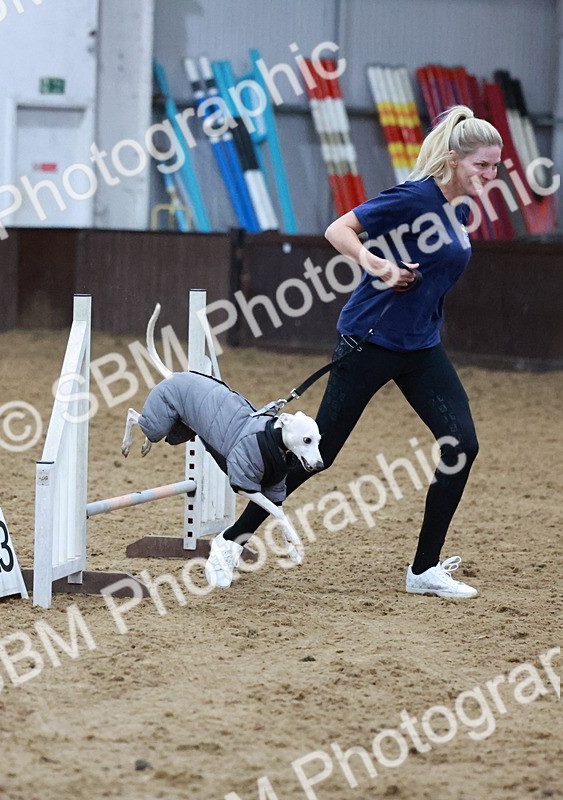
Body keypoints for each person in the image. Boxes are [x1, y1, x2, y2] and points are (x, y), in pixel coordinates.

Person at [205, 105, 503, 599]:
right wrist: (379, 266)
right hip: (369, 338)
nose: (490, 176)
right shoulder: (413, 198)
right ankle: (231, 541)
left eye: (496, 167)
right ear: (454, 159)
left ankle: (423, 570)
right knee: (318, 456)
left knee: (462, 444)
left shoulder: (458, 209)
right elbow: (338, 230)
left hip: (421, 346)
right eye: (482, 166)